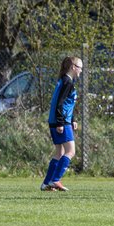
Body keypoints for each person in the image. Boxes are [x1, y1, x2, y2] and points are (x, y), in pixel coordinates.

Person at [40, 56, 82, 191]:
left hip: (58, 120)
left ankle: (46, 183)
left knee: (60, 152)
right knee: (70, 151)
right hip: (61, 122)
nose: (81, 70)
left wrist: (73, 119)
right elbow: (59, 103)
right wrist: (61, 123)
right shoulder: (67, 83)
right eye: (80, 67)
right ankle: (56, 180)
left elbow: (67, 104)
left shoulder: (64, 81)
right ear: (73, 67)